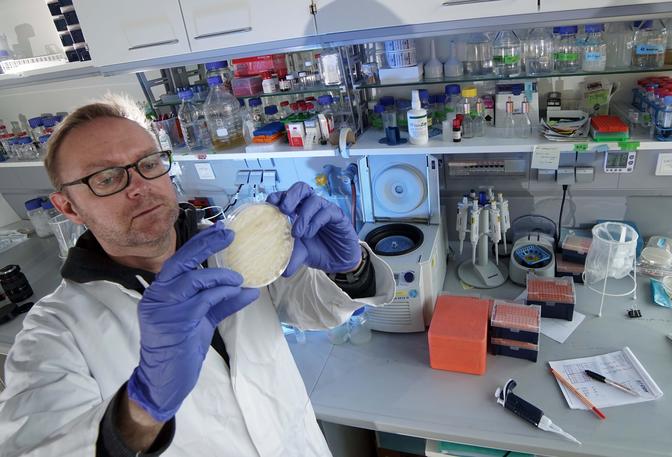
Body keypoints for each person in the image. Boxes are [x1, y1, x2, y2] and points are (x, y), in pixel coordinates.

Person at [0, 97, 395, 456]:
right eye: (105, 178)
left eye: (149, 163)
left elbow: (316, 311)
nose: (139, 187)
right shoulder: (52, 333)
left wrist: (350, 268)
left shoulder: (234, 245)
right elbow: (34, 447)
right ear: (68, 207)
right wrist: (141, 408)